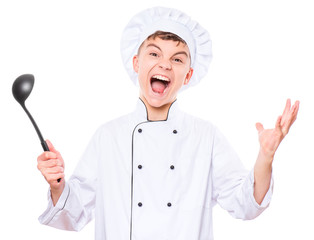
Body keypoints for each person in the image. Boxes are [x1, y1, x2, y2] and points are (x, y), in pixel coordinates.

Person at [37, 6, 299, 240]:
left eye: (177, 59)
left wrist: (266, 156)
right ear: (137, 63)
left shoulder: (205, 136)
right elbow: (73, 214)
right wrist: (57, 183)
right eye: (154, 54)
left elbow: (246, 204)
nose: (165, 64)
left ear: (188, 75)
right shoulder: (108, 136)